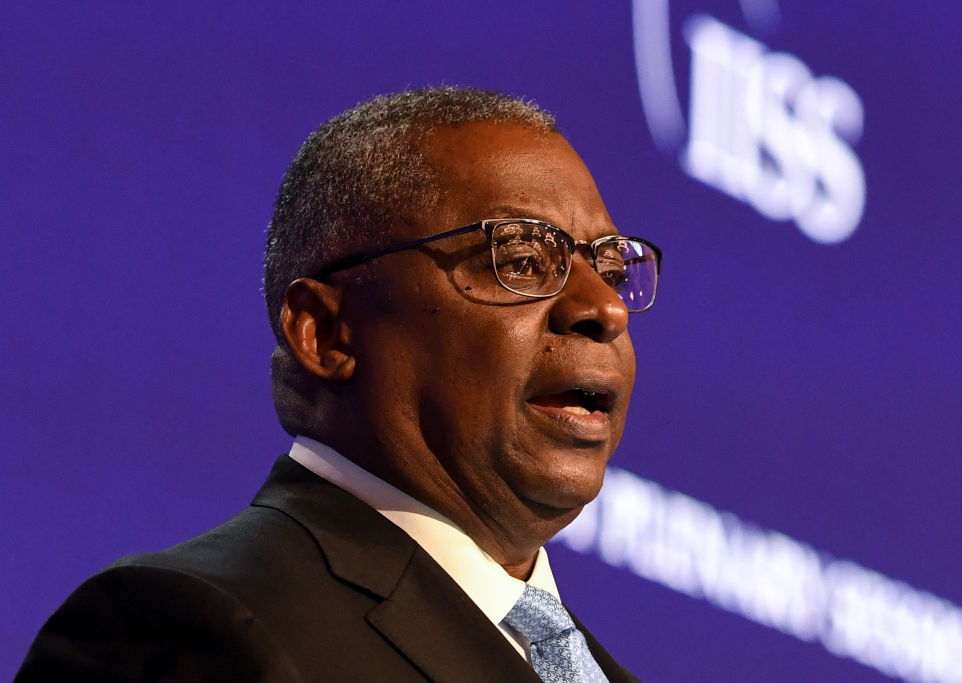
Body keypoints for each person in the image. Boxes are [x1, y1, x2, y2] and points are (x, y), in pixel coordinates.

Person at [16, 86, 661, 682]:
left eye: (610, 270)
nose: (605, 308)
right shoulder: (191, 631)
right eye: (521, 261)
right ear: (326, 332)